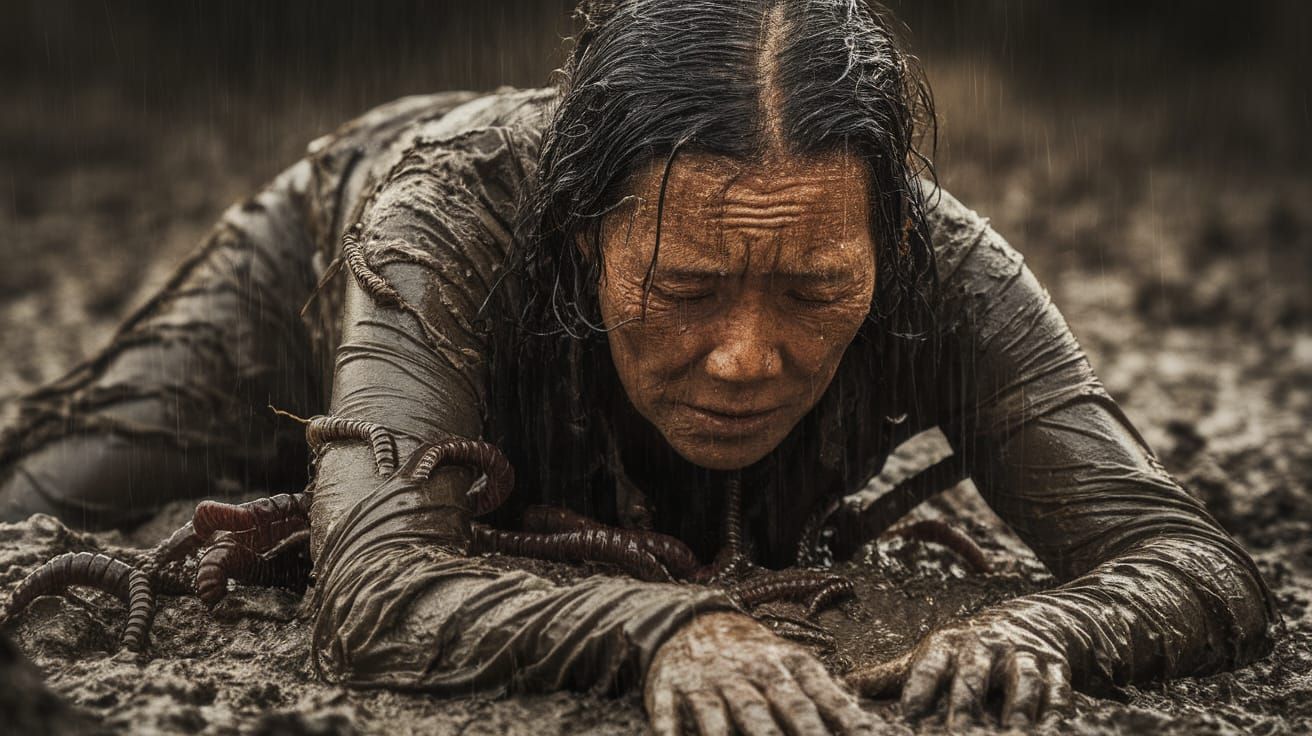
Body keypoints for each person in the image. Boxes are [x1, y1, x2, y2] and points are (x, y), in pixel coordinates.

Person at [0, 1, 1278, 733]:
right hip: (319, 267)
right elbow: (377, 588)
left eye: (815, 291)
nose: (745, 356)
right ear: (577, 236)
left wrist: (1053, 618)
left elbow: (1190, 559)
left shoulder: (943, 265)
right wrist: (666, 624)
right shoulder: (453, 218)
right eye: (683, 288)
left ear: (881, 250)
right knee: (58, 490)